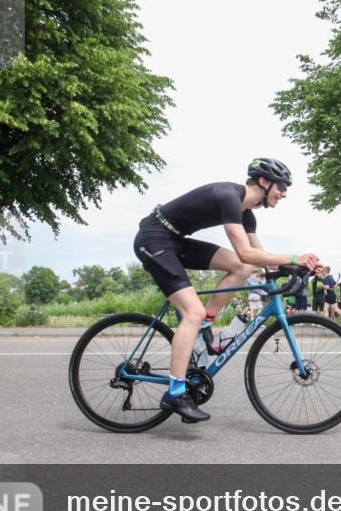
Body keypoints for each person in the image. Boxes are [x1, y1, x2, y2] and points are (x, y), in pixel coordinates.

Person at [133, 157, 318, 423]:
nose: (284, 194)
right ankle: (175, 392)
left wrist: (305, 265)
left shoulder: (247, 214)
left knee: (239, 268)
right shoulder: (229, 196)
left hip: (175, 239)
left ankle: (204, 324)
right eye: (282, 187)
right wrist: (293, 258)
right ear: (264, 182)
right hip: (154, 238)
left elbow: (258, 257)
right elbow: (246, 252)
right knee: (192, 311)